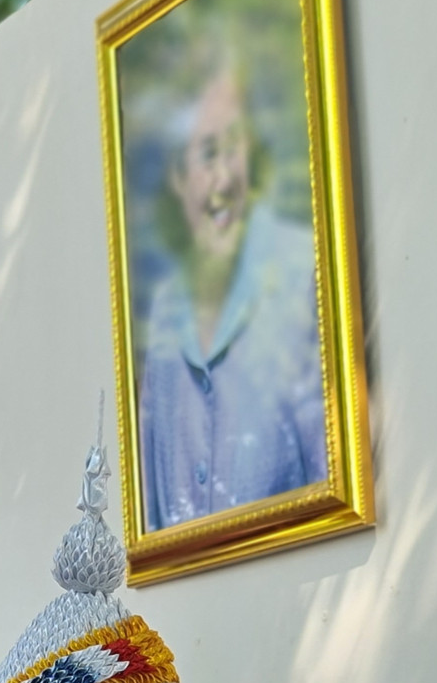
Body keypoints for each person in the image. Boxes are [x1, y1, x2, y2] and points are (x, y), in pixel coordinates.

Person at [137, 52, 327, 530]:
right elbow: (151, 516)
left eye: (234, 147)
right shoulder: (164, 310)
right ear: (177, 179)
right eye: (206, 154)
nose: (225, 178)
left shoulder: (303, 268)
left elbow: (336, 490)